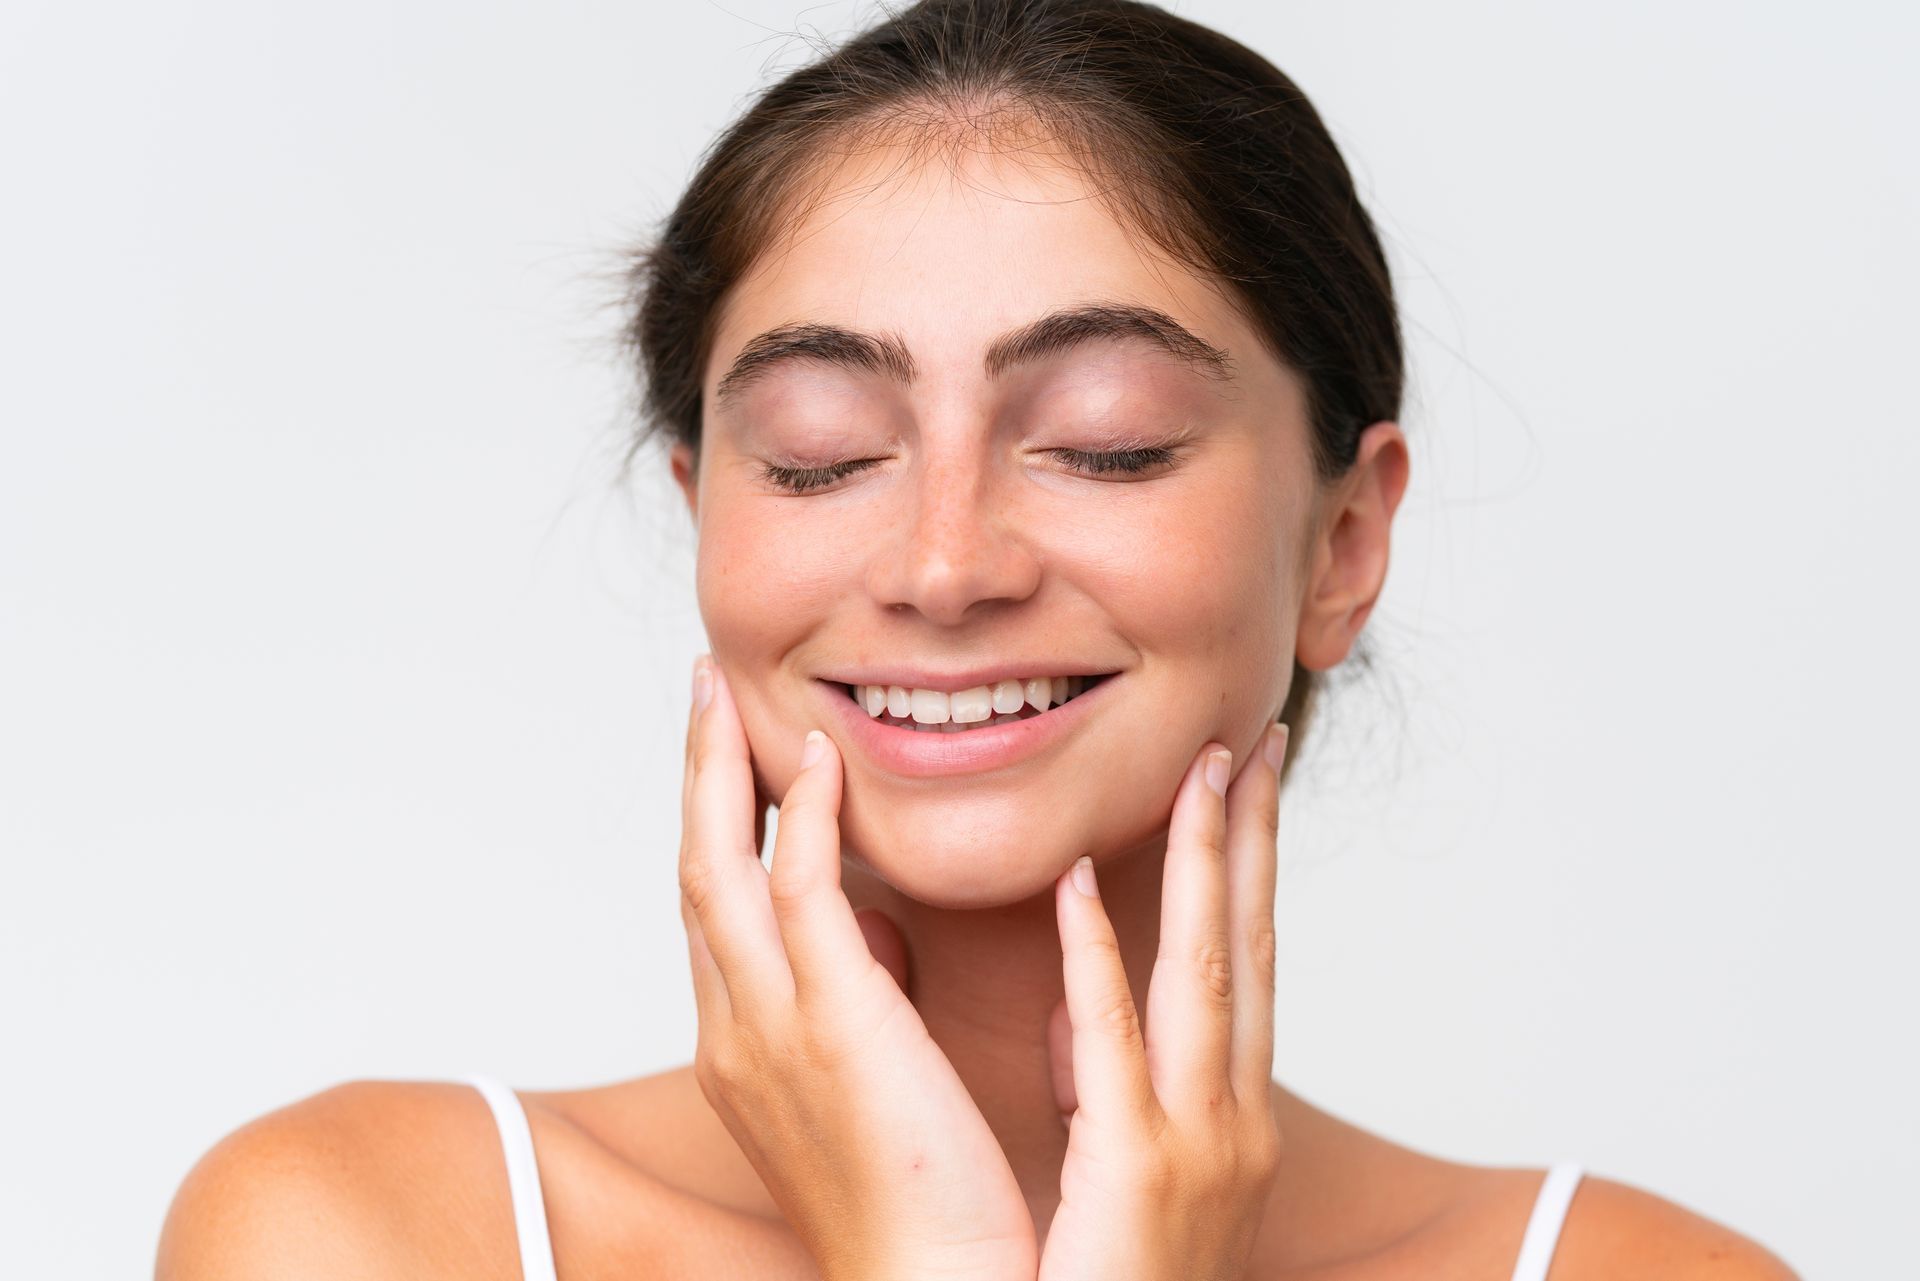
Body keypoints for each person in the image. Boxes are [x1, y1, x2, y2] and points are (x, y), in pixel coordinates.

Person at [157, 1, 1800, 1276]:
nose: (945, 563)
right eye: (819, 454)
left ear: (1344, 539)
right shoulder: (362, 1234)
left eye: (1107, 438)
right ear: (705, 512)